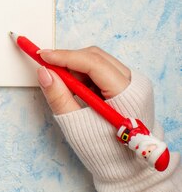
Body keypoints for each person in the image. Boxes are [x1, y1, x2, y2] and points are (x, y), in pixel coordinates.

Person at [36, 46, 181, 191]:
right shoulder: (142, 136)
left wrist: (132, 179)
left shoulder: (140, 147)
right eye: (150, 151)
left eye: (148, 155)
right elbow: (136, 127)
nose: (146, 152)